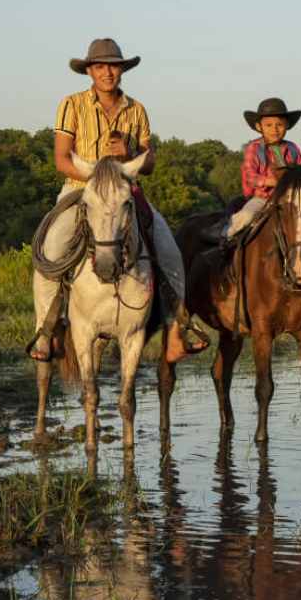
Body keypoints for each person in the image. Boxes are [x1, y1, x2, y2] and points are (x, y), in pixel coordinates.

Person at [28, 37, 210, 362]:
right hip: (81, 187)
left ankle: (177, 328)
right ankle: (46, 330)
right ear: (90, 71)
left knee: (168, 250)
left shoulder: (136, 109)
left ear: (122, 70)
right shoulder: (71, 104)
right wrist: (99, 178)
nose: (107, 72)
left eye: (113, 66)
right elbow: (61, 159)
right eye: (100, 66)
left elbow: (149, 162)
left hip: (127, 190)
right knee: (51, 249)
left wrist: (129, 155)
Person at [227, 97, 301, 239]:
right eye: (268, 125)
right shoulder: (254, 148)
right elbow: (250, 177)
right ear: (259, 127)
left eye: (279, 125)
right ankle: (225, 241)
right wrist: (273, 181)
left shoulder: (293, 149)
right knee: (245, 217)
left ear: (287, 125)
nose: (274, 130)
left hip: (289, 201)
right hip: (262, 199)